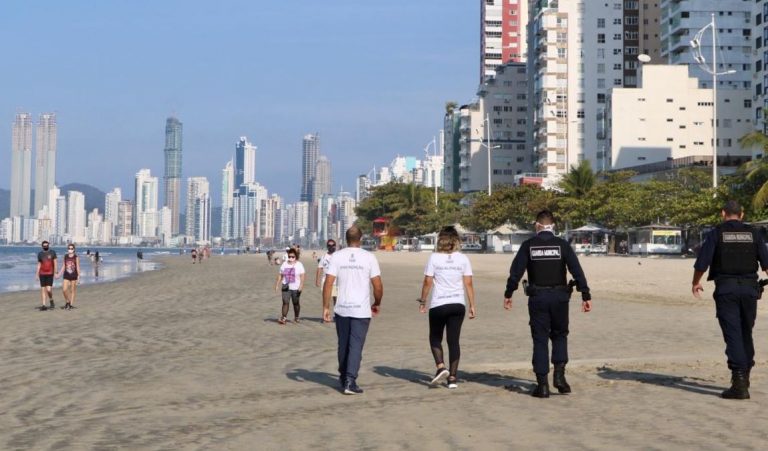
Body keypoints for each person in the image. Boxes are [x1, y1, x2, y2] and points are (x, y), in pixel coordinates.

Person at [503, 210, 592, 398]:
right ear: (553, 226)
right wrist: (585, 294)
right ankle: (559, 377)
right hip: (560, 297)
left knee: (540, 339)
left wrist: (509, 292)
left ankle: (542, 385)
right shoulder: (562, 245)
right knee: (560, 335)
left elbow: (516, 271)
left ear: (537, 225)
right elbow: (577, 270)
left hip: (538, 298)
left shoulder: (529, 246)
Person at [692, 200, 768, 399]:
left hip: (726, 289)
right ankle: (745, 375)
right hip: (750, 290)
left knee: (733, 333)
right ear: (741, 214)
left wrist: (696, 282)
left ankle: (739, 382)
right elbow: (766, 263)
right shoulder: (754, 233)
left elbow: (702, 262)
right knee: (745, 332)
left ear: (723, 213)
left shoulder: (716, 233)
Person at [323, 225, 383, 395]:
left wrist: (325, 307)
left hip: (342, 308)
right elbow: (377, 284)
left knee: (343, 345)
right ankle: (349, 380)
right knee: (355, 345)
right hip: (360, 310)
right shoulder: (368, 257)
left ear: (346, 239)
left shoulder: (337, 257)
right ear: (361, 239)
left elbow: (328, 283)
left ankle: (343, 377)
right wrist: (377, 302)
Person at [418, 226, 476, 389]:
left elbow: (428, 282)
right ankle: (452, 378)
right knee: (453, 341)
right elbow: (468, 283)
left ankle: (440, 366)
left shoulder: (434, 258)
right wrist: (472, 305)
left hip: (439, 304)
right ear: (456, 240)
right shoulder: (463, 259)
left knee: (435, 337)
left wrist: (423, 301)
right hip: (458, 304)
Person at [274, 248, 306, 324]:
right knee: (285, 302)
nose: (291, 258)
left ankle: (296, 317)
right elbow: (280, 275)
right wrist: (277, 284)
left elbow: (302, 276)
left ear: (296, 257)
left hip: (296, 287)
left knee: (296, 303)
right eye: (289, 256)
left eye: (293, 257)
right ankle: (284, 318)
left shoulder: (299, 265)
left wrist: (301, 286)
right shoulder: (284, 264)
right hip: (286, 287)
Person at [316, 239, 338, 314]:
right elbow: (319, 268)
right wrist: (317, 280)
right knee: (326, 299)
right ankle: (326, 315)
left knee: (336, 299)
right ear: (327, 246)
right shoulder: (324, 257)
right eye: (329, 245)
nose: (331, 247)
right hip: (325, 281)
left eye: (332, 245)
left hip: (336, 282)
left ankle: (336, 315)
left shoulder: (338, 256)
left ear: (335, 246)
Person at [57, 244, 81, 310]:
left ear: (74, 249)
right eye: (69, 248)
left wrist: (79, 277)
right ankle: (67, 301)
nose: (70, 249)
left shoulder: (76, 257)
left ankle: (71, 305)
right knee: (64, 290)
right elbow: (64, 266)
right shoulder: (65, 256)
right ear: (67, 249)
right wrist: (59, 274)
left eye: (72, 248)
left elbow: (78, 267)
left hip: (74, 275)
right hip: (66, 275)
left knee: (72, 290)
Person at [36, 240, 58, 311]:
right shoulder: (40, 254)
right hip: (42, 274)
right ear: (42, 246)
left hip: (50, 274)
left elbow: (55, 263)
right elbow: (39, 264)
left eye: (46, 245)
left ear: (48, 245)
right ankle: (44, 305)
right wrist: (36, 274)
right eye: (44, 246)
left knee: (48, 290)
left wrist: (56, 272)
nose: (45, 247)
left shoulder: (52, 252)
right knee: (43, 289)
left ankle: (51, 300)